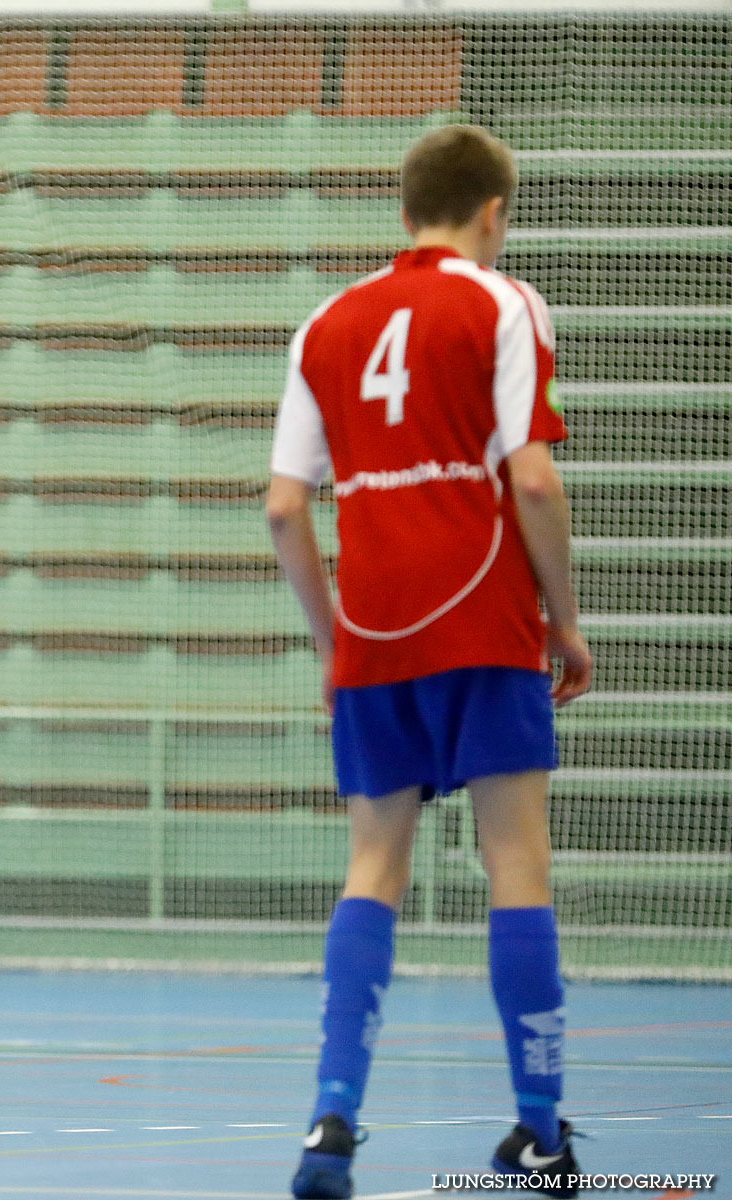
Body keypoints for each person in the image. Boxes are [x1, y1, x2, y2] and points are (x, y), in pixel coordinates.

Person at [266, 125, 594, 1200]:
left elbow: (282, 509)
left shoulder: (324, 324)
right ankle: (539, 1132)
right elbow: (533, 482)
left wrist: (335, 642)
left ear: (405, 210)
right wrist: (567, 622)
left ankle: (330, 1124)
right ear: (492, 213)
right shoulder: (504, 304)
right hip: (485, 621)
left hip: (376, 634)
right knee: (517, 867)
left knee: (373, 871)